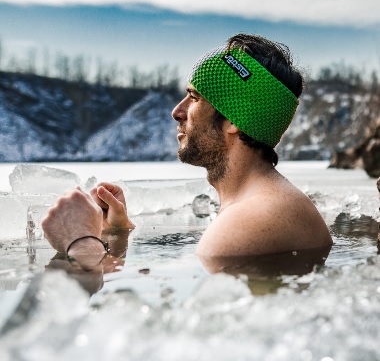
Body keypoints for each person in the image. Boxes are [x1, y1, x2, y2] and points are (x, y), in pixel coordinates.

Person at [41, 33, 332, 274]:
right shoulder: (266, 206)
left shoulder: (250, 221)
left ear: (232, 120)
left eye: (194, 97)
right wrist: (119, 233)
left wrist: (80, 243)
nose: (176, 112)